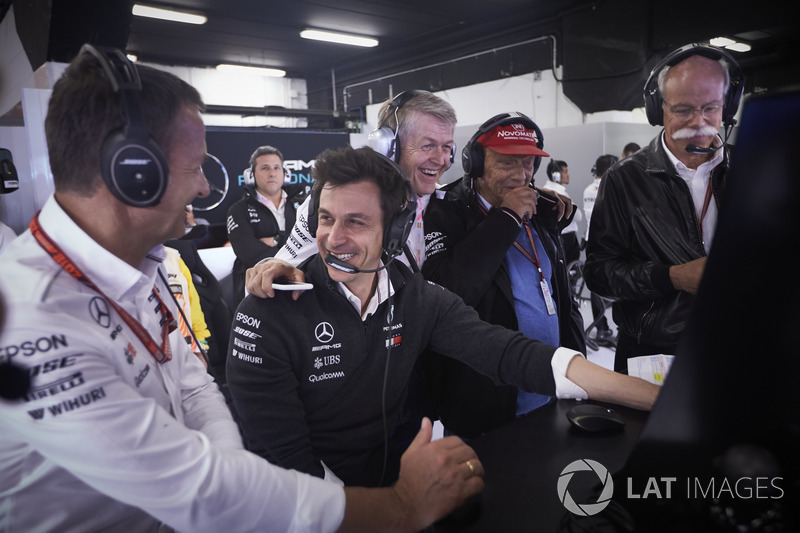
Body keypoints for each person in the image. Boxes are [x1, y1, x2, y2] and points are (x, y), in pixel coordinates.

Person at [0, 45, 484, 532]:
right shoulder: (34, 319)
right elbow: (205, 492)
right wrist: (399, 509)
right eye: (195, 167)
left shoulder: (142, 266)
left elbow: (192, 386)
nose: (206, 189)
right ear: (134, 175)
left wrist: (231, 467)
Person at [226, 145, 659, 488]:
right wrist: (395, 510)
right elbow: (284, 459)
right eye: (325, 219)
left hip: (388, 483)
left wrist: (657, 398)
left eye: (356, 222)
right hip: (303, 504)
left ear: (396, 231)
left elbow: (509, 352)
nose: (334, 238)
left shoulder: (415, 297)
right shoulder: (269, 312)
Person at [420, 113, 586, 438]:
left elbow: (560, 296)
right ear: (477, 163)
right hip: (483, 403)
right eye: (507, 163)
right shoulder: (443, 211)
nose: (520, 175)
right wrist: (506, 217)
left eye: (527, 164)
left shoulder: (539, 208)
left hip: (551, 391)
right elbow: (450, 292)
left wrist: (577, 365)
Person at [584, 43, 744, 372]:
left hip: (739, 339)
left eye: (711, 108)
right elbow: (599, 274)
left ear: (727, 107)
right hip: (653, 351)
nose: (699, 122)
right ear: (658, 110)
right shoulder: (623, 179)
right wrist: (670, 278)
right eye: (683, 109)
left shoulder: (753, 167)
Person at [245, 90, 457, 295]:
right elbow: (282, 267)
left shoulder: (448, 203)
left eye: (447, 148)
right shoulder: (331, 201)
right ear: (388, 145)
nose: (440, 160)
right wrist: (271, 268)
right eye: (428, 146)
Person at [226, 145, 309, 307]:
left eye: (277, 168)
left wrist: (277, 240)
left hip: (298, 286)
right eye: (265, 168)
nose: (272, 173)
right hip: (256, 291)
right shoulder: (238, 210)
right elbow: (249, 254)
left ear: (285, 173)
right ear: (251, 175)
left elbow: (310, 244)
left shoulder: (303, 204)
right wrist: (292, 251)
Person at [582, 155, 619, 346]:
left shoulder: (589, 189)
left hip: (592, 240)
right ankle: (622, 330)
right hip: (612, 242)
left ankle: (602, 328)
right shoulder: (615, 186)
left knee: (595, 287)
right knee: (620, 282)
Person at [542, 158, 581, 264]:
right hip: (567, 238)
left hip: (552, 237)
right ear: (556, 175)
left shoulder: (544, 190)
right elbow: (578, 216)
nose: (568, 175)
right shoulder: (559, 193)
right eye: (565, 172)